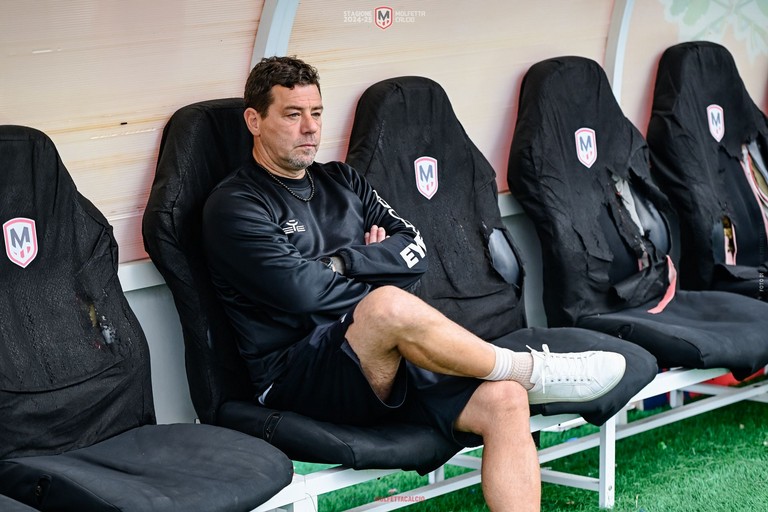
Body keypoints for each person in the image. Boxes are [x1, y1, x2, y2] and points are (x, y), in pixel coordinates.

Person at [203, 56, 626, 511]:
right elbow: (301, 293)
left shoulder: (341, 179)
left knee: (504, 401)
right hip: (298, 375)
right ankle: (529, 369)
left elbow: (414, 250)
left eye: (317, 113)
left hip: (384, 357)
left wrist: (343, 263)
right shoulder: (236, 205)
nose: (309, 128)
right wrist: (375, 274)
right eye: (292, 114)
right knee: (387, 305)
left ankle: (511, 377)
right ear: (254, 120)